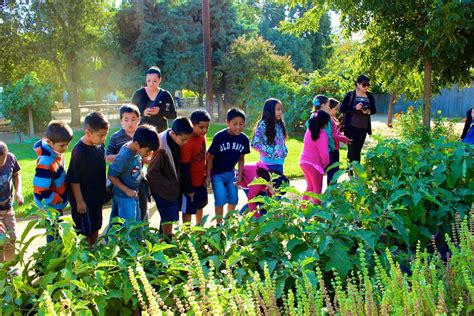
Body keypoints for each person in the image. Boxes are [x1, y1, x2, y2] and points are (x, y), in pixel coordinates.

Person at [67, 112, 109, 248]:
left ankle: (93, 249)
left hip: (96, 197)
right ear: (88, 133)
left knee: (96, 225)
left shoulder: (99, 145)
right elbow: (74, 179)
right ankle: (85, 254)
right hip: (83, 200)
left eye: (105, 135)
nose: (104, 138)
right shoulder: (79, 151)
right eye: (100, 135)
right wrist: (79, 201)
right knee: (84, 230)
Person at [147, 117, 193, 237]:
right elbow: (151, 172)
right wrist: (169, 185)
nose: (185, 143)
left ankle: (163, 238)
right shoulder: (161, 147)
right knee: (169, 216)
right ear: (173, 134)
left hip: (170, 187)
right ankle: (168, 242)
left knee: (169, 215)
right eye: (183, 140)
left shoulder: (174, 138)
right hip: (162, 189)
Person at [206, 108, 250, 225]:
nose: (238, 127)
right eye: (235, 124)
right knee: (220, 200)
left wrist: (240, 174)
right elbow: (210, 157)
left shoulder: (244, 139)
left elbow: (241, 158)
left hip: (231, 173)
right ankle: (219, 224)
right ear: (228, 122)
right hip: (217, 174)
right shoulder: (219, 137)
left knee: (234, 199)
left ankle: (228, 223)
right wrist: (208, 176)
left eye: (241, 124)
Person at [106, 104, 150, 222]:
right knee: (123, 210)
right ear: (121, 121)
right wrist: (123, 157)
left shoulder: (142, 135)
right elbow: (107, 156)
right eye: (126, 120)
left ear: (139, 120)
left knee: (142, 206)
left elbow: (146, 155)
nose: (130, 123)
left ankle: (142, 232)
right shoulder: (116, 137)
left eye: (133, 119)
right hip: (122, 180)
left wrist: (144, 158)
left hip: (139, 177)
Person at [108, 125, 159, 227]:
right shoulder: (125, 155)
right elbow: (111, 175)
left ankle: (137, 241)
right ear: (136, 143)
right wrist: (126, 190)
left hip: (133, 193)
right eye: (147, 151)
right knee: (128, 227)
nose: (149, 153)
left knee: (136, 221)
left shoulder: (136, 149)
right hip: (124, 196)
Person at [33, 120, 74, 242]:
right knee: (53, 235)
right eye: (62, 145)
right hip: (49, 205)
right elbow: (41, 189)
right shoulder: (45, 162)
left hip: (56, 203)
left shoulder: (55, 152)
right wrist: (57, 199)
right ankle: (53, 256)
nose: (65, 148)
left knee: (58, 232)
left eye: (67, 144)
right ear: (49, 142)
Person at [180, 110, 211, 225]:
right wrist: (188, 188)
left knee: (200, 205)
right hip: (190, 183)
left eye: (207, 127)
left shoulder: (202, 137)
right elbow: (184, 166)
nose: (205, 130)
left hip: (201, 180)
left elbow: (205, 156)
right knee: (188, 209)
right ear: (192, 124)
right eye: (201, 127)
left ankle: (199, 229)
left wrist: (207, 176)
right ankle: (186, 233)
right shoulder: (187, 142)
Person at [340, 74, 376, 164]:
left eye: (368, 85)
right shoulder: (350, 95)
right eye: (364, 85)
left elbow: (374, 110)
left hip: (363, 127)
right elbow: (342, 109)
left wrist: (367, 111)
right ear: (358, 84)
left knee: (358, 150)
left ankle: (357, 173)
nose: (366, 87)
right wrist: (355, 109)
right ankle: (350, 172)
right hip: (351, 127)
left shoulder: (369, 95)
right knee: (352, 150)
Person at [132, 66, 177, 133]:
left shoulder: (165, 94)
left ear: (160, 80)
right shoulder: (139, 93)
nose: (151, 84)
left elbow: (173, 115)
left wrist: (160, 111)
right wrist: (143, 112)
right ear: (145, 79)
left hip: (161, 132)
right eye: (148, 81)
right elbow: (131, 112)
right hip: (142, 133)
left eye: (154, 81)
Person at [300, 111, 330, 204]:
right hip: (314, 165)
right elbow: (324, 155)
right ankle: (317, 214)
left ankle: (303, 208)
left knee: (310, 188)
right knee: (317, 192)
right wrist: (325, 165)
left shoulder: (309, 130)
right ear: (325, 123)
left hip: (304, 162)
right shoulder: (322, 135)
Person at [251, 98, 288, 174]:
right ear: (270, 111)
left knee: (280, 185)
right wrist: (270, 150)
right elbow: (254, 143)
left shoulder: (279, 124)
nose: (280, 112)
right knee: (270, 185)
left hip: (279, 163)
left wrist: (284, 149)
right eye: (278, 110)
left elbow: (280, 140)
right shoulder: (263, 125)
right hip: (268, 165)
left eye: (281, 110)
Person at [0, 142, 23, 262]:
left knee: (12, 238)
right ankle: (1, 273)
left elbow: (16, 175)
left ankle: (8, 268)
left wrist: (19, 192)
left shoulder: (11, 158)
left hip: (8, 208)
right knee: (0, 240)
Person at [327, 98, 351, 184]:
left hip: (335, 148)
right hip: (332, 149)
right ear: (328, 108)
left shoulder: (333, 119)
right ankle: (331, 191)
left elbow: (337, 133)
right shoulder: (329, 120)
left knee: (335, 171)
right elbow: (333, 135)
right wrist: (345, 139)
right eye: (335, 109)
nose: (337, 112)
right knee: (332, 172)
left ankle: (333, 190)